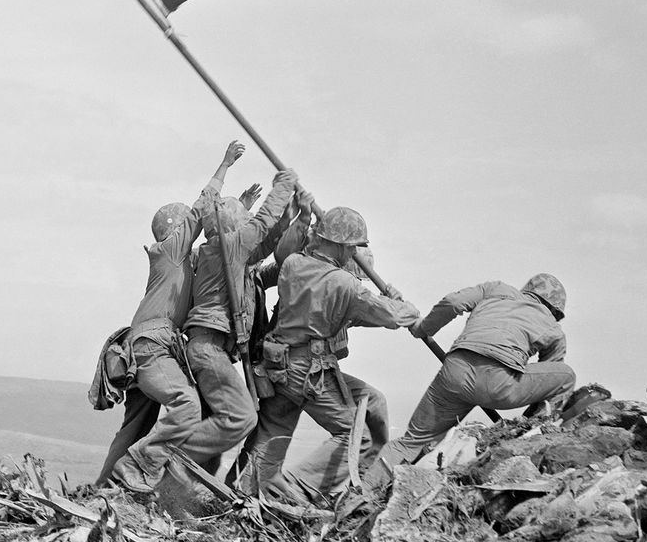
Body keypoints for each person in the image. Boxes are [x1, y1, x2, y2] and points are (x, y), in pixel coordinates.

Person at [238, 206, 419, 500]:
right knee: (357, 436)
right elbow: (391, 316)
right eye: (351, 248)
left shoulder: (294, 265)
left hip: (277, 365)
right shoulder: (343, 283)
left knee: (272, 435)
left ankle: (246, 493)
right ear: (341, 245)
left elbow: (341, 311)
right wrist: (404, 305)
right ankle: (295, 489)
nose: (352, 255)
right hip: (309, 371)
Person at [103, 141, 245, 492]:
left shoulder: (179, 262)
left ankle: (104, 488)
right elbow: (201, 210)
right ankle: (140, 469)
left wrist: (242, 209)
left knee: (135, 425)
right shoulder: (169, 252)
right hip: (152, 346)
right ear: (176, 229)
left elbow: (220, 246)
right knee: (186, 404)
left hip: (144, 348)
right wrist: (224, 165)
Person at [363, 273, 576, 491]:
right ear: (555, 310)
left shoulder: (496, 289)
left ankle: (364, 492)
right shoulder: (553, 329)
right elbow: (548, 379)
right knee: (566, 376)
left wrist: (423, 328)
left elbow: (453, 302)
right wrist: (527, 421)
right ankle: (532, 434)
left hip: (455, 372)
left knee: (411, 441)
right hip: (499, 384)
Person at [177, 168, 300, 467]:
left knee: (215, 438)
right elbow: (262, 223)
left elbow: (266, 242)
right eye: (244, 221)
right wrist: (283, 185)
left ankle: (184, 483)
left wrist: (291, 215)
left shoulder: (224, 251)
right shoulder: (228, 247)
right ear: (234, 226)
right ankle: (169, 457)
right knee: (242, 417)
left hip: (212, 348)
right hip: (208, 348)